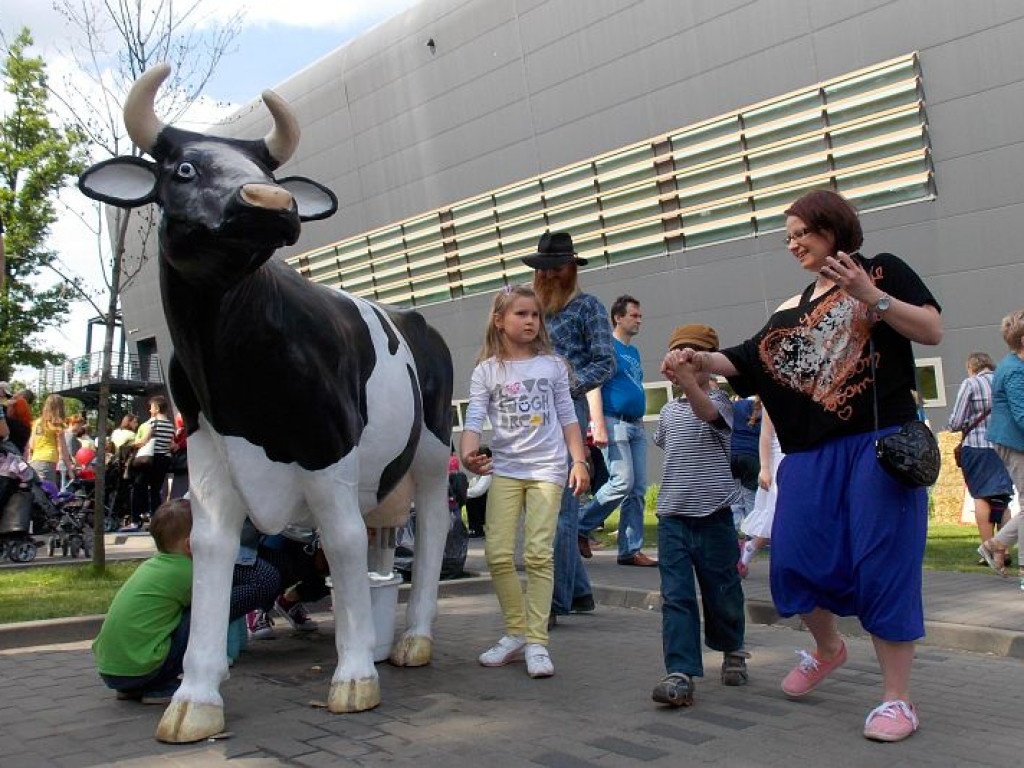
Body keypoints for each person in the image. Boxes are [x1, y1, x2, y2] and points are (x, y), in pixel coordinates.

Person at [663, 189, 942, 742]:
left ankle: (897, 700)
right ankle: (828, 649)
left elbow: (931, 330)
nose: (793, 244)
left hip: (877, 445)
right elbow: (743, 362)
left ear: (833, 228)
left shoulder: (881, 269)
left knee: (882, 566)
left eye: (802, 233)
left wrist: (871, 296)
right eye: (788, 236)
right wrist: (694, 361)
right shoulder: (789, 310)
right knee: (792, 563)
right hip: (811, 456)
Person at [460, 284, 590, 678]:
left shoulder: (552, 365)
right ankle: (515, 633)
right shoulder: (487, 370)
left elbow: (568, 416)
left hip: (547, 470)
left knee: (537, 554)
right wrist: (468, 454)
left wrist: (579, 460)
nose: (531, 320)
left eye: (534, 315)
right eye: (521, 314)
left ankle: (537, 641)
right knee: (497, 554)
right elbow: (474, 420)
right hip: (507, 470)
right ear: (499, 321)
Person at [650, 324, 749, 708]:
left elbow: (706, 413)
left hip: (714, 517)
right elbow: (664, 442)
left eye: (695, 354)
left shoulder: (722, 402)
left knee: (722, 592)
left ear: (710, 361)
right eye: (679, 353)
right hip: (673, 517)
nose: (685, 360)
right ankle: (680, 672)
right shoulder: (668, 412)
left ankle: (733, 649)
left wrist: (690, 380)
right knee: (676, 597)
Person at [93, 499, 279, 702]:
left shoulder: (152, 565)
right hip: (143, 669)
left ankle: (136, 686)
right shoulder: (189, 572)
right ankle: (159, 686)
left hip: (111, 672)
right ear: (191, 544)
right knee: (205, 611)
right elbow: (213, 608)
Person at [523, 231, 615, 624]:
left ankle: (551, 602)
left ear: (571, 268)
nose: (548, 275)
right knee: (547, 505)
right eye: (543, 268)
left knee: (556, 510)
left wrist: (568, 384)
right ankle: (578, 593)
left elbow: (605, 362)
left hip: (566, 411)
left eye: (556, 267)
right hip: (528, 412)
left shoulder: (587, 308)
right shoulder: (530, 311)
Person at [577, 294, 656, 567]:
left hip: (635, 424)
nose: (639, 320)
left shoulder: (633, 352)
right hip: (613, 421)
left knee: (638, 490)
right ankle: (579, 525)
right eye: (634, 315)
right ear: (617, 318)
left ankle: (630, 550)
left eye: (640, 316)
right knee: (622, 481)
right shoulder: (607, 347)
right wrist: (597, 423)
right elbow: (594, 384)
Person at [948, 352, 1013, 558]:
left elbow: (957, 422)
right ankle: (1004, 550)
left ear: (971, 367)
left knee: (982, 497)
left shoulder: (971, 384)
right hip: (1004, 445)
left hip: (977, 447)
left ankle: (989, 551)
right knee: (1002, 499)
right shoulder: (1005, 381)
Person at [979, 310, 1024, 584]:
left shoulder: (1015, 365)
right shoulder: (1014, 371)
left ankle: (993, 545)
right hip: (1016, 444)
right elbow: (1022, 415)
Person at [738, 407, 782, 577]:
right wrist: (764, 468)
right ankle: (749, 550)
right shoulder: (771, 400)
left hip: (798, 460)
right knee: (775, 519)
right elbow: (765, 435)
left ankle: (749, 549)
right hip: (778, 462)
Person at [129, 395, 176, 526]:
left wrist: (134, 443)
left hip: (148, 459)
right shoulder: (170, 426)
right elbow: (171, 445)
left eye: (151, 407)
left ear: (156, 408)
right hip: (164, 460)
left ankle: (135, 519)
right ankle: (155, 519)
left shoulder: (152, 423)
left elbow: (143, 441)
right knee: (156, 490)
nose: (149, 410)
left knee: (138, 487)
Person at [27, 394, 76, 485]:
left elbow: (31, 444)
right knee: (49, 493)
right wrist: (69, 469)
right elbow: (62, 448)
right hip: (48, 461)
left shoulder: (37, 422)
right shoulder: (56, 424)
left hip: (35, 461)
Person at [729, 397, 761, 531]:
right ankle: (751, 532)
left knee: (735, 496)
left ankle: (734, 530)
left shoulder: (734, 406)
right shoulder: (759, 408)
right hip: (750, 456)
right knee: (750, 498)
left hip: (732, 454)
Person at [465, 446, 492, 538]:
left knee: (472, 500)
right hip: (489, 501)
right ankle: (476, 528)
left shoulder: (489, 470)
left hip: (491, 503)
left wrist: (461, 493)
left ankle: (477, 529)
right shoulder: (483, 469)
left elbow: (478, 491)